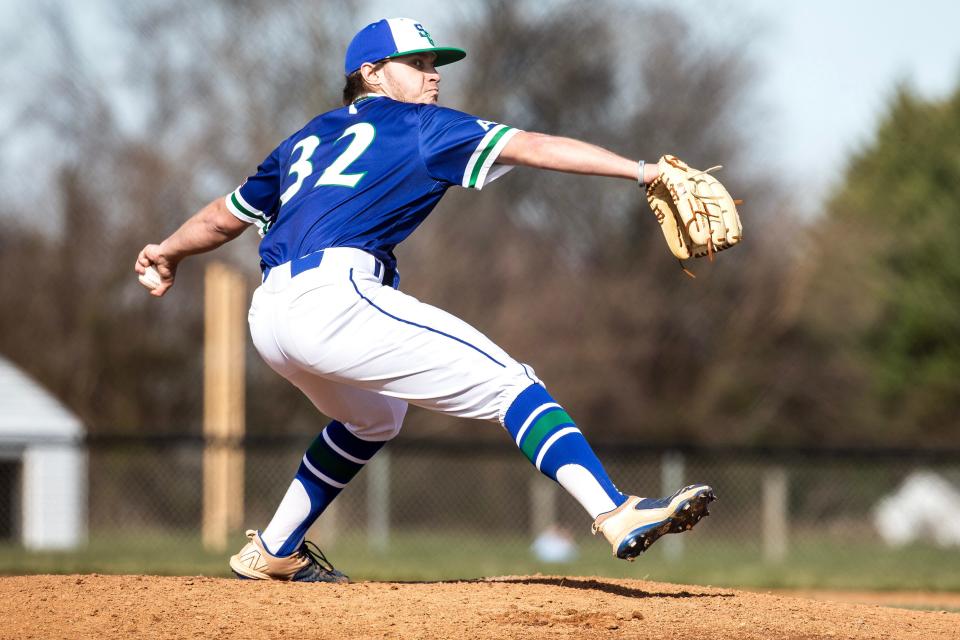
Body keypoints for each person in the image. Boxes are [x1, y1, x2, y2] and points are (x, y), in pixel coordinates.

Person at [135, 17, 715, 583]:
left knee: (374, 416)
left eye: (434, 63)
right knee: (511, 384)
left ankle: (275, 548)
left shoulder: (305, 138)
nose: (433, 75)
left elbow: (222, 216)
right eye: (417, 63)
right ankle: (615, 510)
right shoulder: (422, 126)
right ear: (372, 73)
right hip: (335, 296)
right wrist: (642, 172)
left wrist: (167, 252)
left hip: (270, 318)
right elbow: (533, 145)